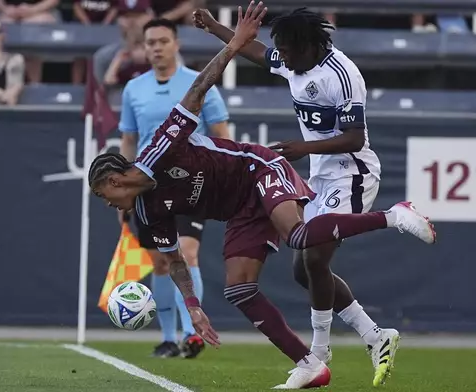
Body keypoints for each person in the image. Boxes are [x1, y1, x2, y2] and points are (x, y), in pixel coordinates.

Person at [89, 2, 435, 388]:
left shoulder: (159, 147)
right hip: (249, 205)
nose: (106, 203)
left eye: (103, 194)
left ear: (116, 180)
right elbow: (173, 261)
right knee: (256, 282)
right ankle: (323, 358)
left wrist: (232, 45)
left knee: (304, 242)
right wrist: (194, 308)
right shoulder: (146, 213)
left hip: (267, 170)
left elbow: (200, 87)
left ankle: (395, 216)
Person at [193, 5, 405, 386]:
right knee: (302, 269)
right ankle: (376, 336)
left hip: (352, 174)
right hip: (320, 178)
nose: (283, 57)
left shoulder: (342, 74)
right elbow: (257, 53)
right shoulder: (296, 61)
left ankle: (319, 353)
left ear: (307, 45)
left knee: (315, 255)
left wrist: (303, 149)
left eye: (288, 50)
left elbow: (355, 138)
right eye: (282, 51)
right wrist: (214, 29)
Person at [118, 17, 230, 359]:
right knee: (162, 263)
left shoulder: (198, 83)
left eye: (162, 41)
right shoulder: (133, 89)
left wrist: (219, 177)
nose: (156, 48)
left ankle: (191, 334)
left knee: (188, 252)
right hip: (147, 190)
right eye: (150, 42)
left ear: (176, 44)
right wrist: (125, 188)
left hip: (190, 184)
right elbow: (128, 140)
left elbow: (221, 134)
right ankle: (168, 337)